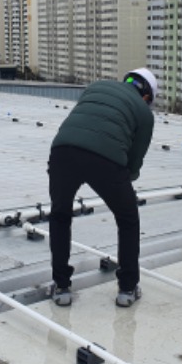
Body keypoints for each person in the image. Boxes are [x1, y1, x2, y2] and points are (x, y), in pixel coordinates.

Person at [47, 68, 156, 307]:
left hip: (61, 151)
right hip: (105, 160)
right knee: (128, 218)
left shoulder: (96, 86)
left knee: (60, 215)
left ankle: (61, 287)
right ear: (147, 96)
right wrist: (123, 181)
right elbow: (135, 160)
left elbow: (84, 118)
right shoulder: (144, 114)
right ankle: (127, 289)